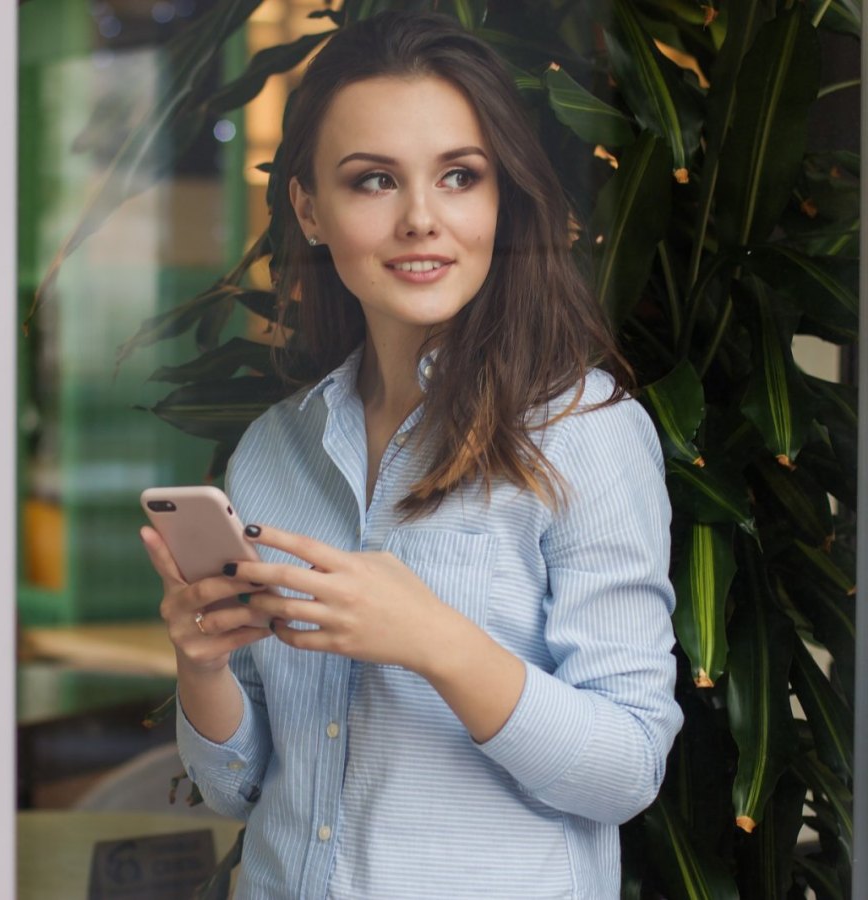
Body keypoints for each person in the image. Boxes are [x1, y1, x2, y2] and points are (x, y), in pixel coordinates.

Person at [140, 11, 682, 899]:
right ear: (310, 209)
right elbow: (236, 786)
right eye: (374, 181)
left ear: (500, 196)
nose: (422, 219)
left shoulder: (584, 429)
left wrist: (435, 640)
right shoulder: (277, 449)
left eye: (459, 177)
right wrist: (201, 663)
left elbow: (625, 770)